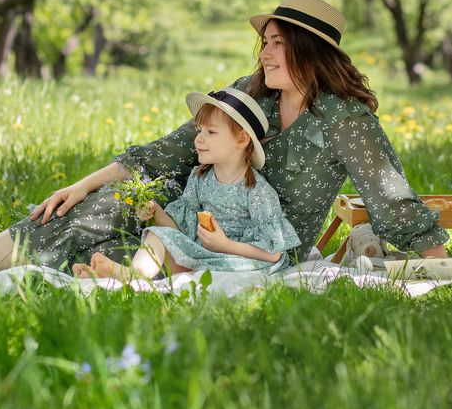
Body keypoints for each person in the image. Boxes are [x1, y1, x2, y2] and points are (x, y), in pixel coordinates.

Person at [0, 0, 448, 286]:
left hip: (261, 246)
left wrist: (441, 265)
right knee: (94, 208)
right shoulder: (250, 94)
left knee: (111, 241)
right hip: (194, 216)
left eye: (277, 42)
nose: (266, 52)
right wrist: (81, 183)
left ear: (308, 50)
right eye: (265, 41)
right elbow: (164, 152)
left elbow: (391, 200)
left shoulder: (345, 118)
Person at [72, 88, 300, 281]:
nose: (198, 139)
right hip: (201, 257)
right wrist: (156, 213)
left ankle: (128, 277)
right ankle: (133, 275)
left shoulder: (258, 192)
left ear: (241, 140)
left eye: (210, 132)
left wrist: (223, 244)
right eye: (200, 130)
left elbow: (272, 254)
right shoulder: (200, 178)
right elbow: (181, 230)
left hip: (239, 263)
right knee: (158, 233)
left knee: (215, 274)